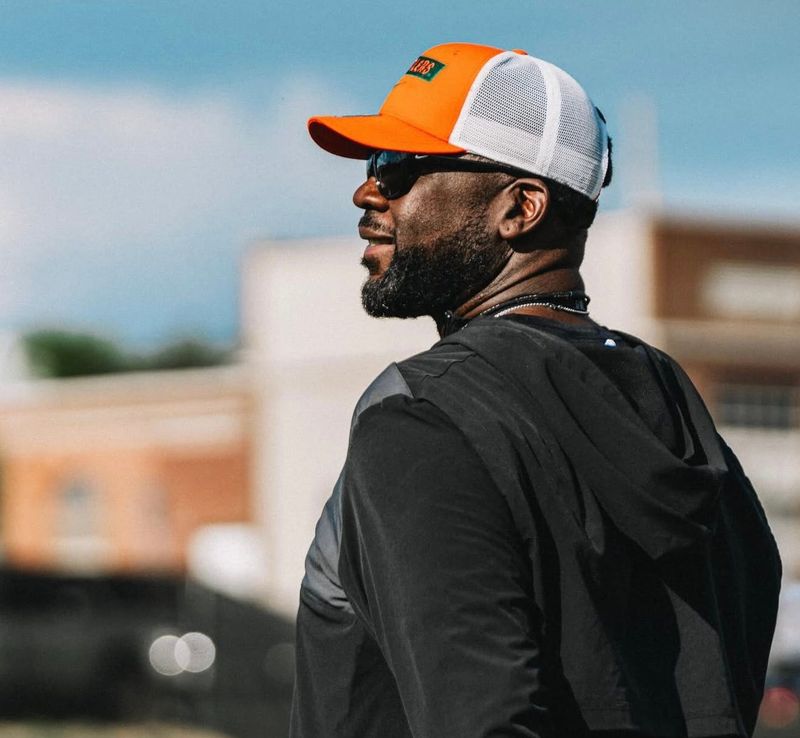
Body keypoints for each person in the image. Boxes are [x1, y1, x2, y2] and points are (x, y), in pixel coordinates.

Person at [290, 42, 782, 738]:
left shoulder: (425, 415)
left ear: (521, 208)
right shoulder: (678, 410)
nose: (368, 193)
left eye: (399, 166)